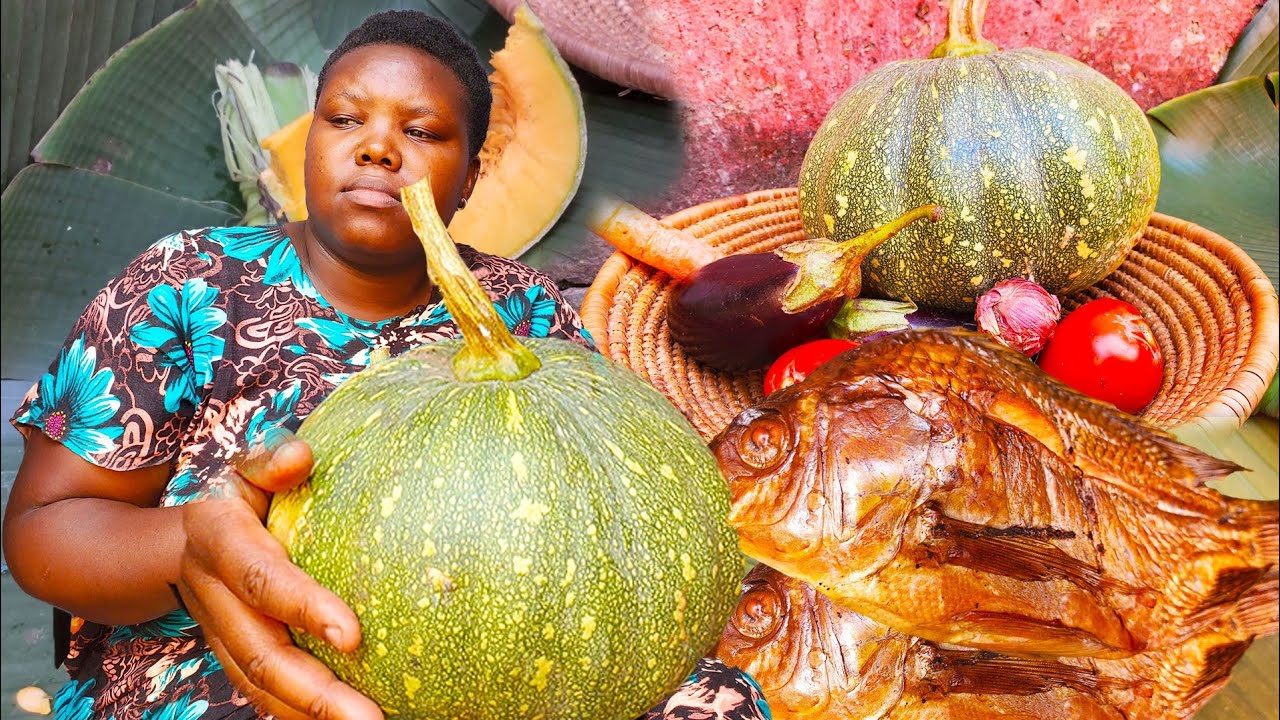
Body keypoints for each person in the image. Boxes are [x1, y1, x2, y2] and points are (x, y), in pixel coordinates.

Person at [3, 10, 770, 720]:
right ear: (308, 144)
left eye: (424, 131)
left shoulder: (525, 309)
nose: (377, 146)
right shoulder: (184, 284)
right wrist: (193, 547)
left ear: (472, 175)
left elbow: (616, 511)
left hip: (517, 675)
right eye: (343, 118)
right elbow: (44, 531)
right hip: (215, 659)